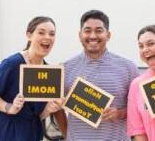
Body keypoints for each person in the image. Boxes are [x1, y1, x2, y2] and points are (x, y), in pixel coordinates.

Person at [53, 10, 139, 140]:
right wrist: (67, 135)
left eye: (99, 30)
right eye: (87, 30)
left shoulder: (128, 68)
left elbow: (139, 107)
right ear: (80, 35)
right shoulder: (65, 68)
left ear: (108, 35)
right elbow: (56, 107)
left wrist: (120, 113)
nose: (93, 36)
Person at [0, 16, 64, 141]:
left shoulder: (48, 71)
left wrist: (49, 109)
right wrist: (10, 108)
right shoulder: (12, 63)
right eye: (41, 32)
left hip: (32, 135)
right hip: (5, 134)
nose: (47, 37)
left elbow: (39, 115)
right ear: (29, 35)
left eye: (52, 34)